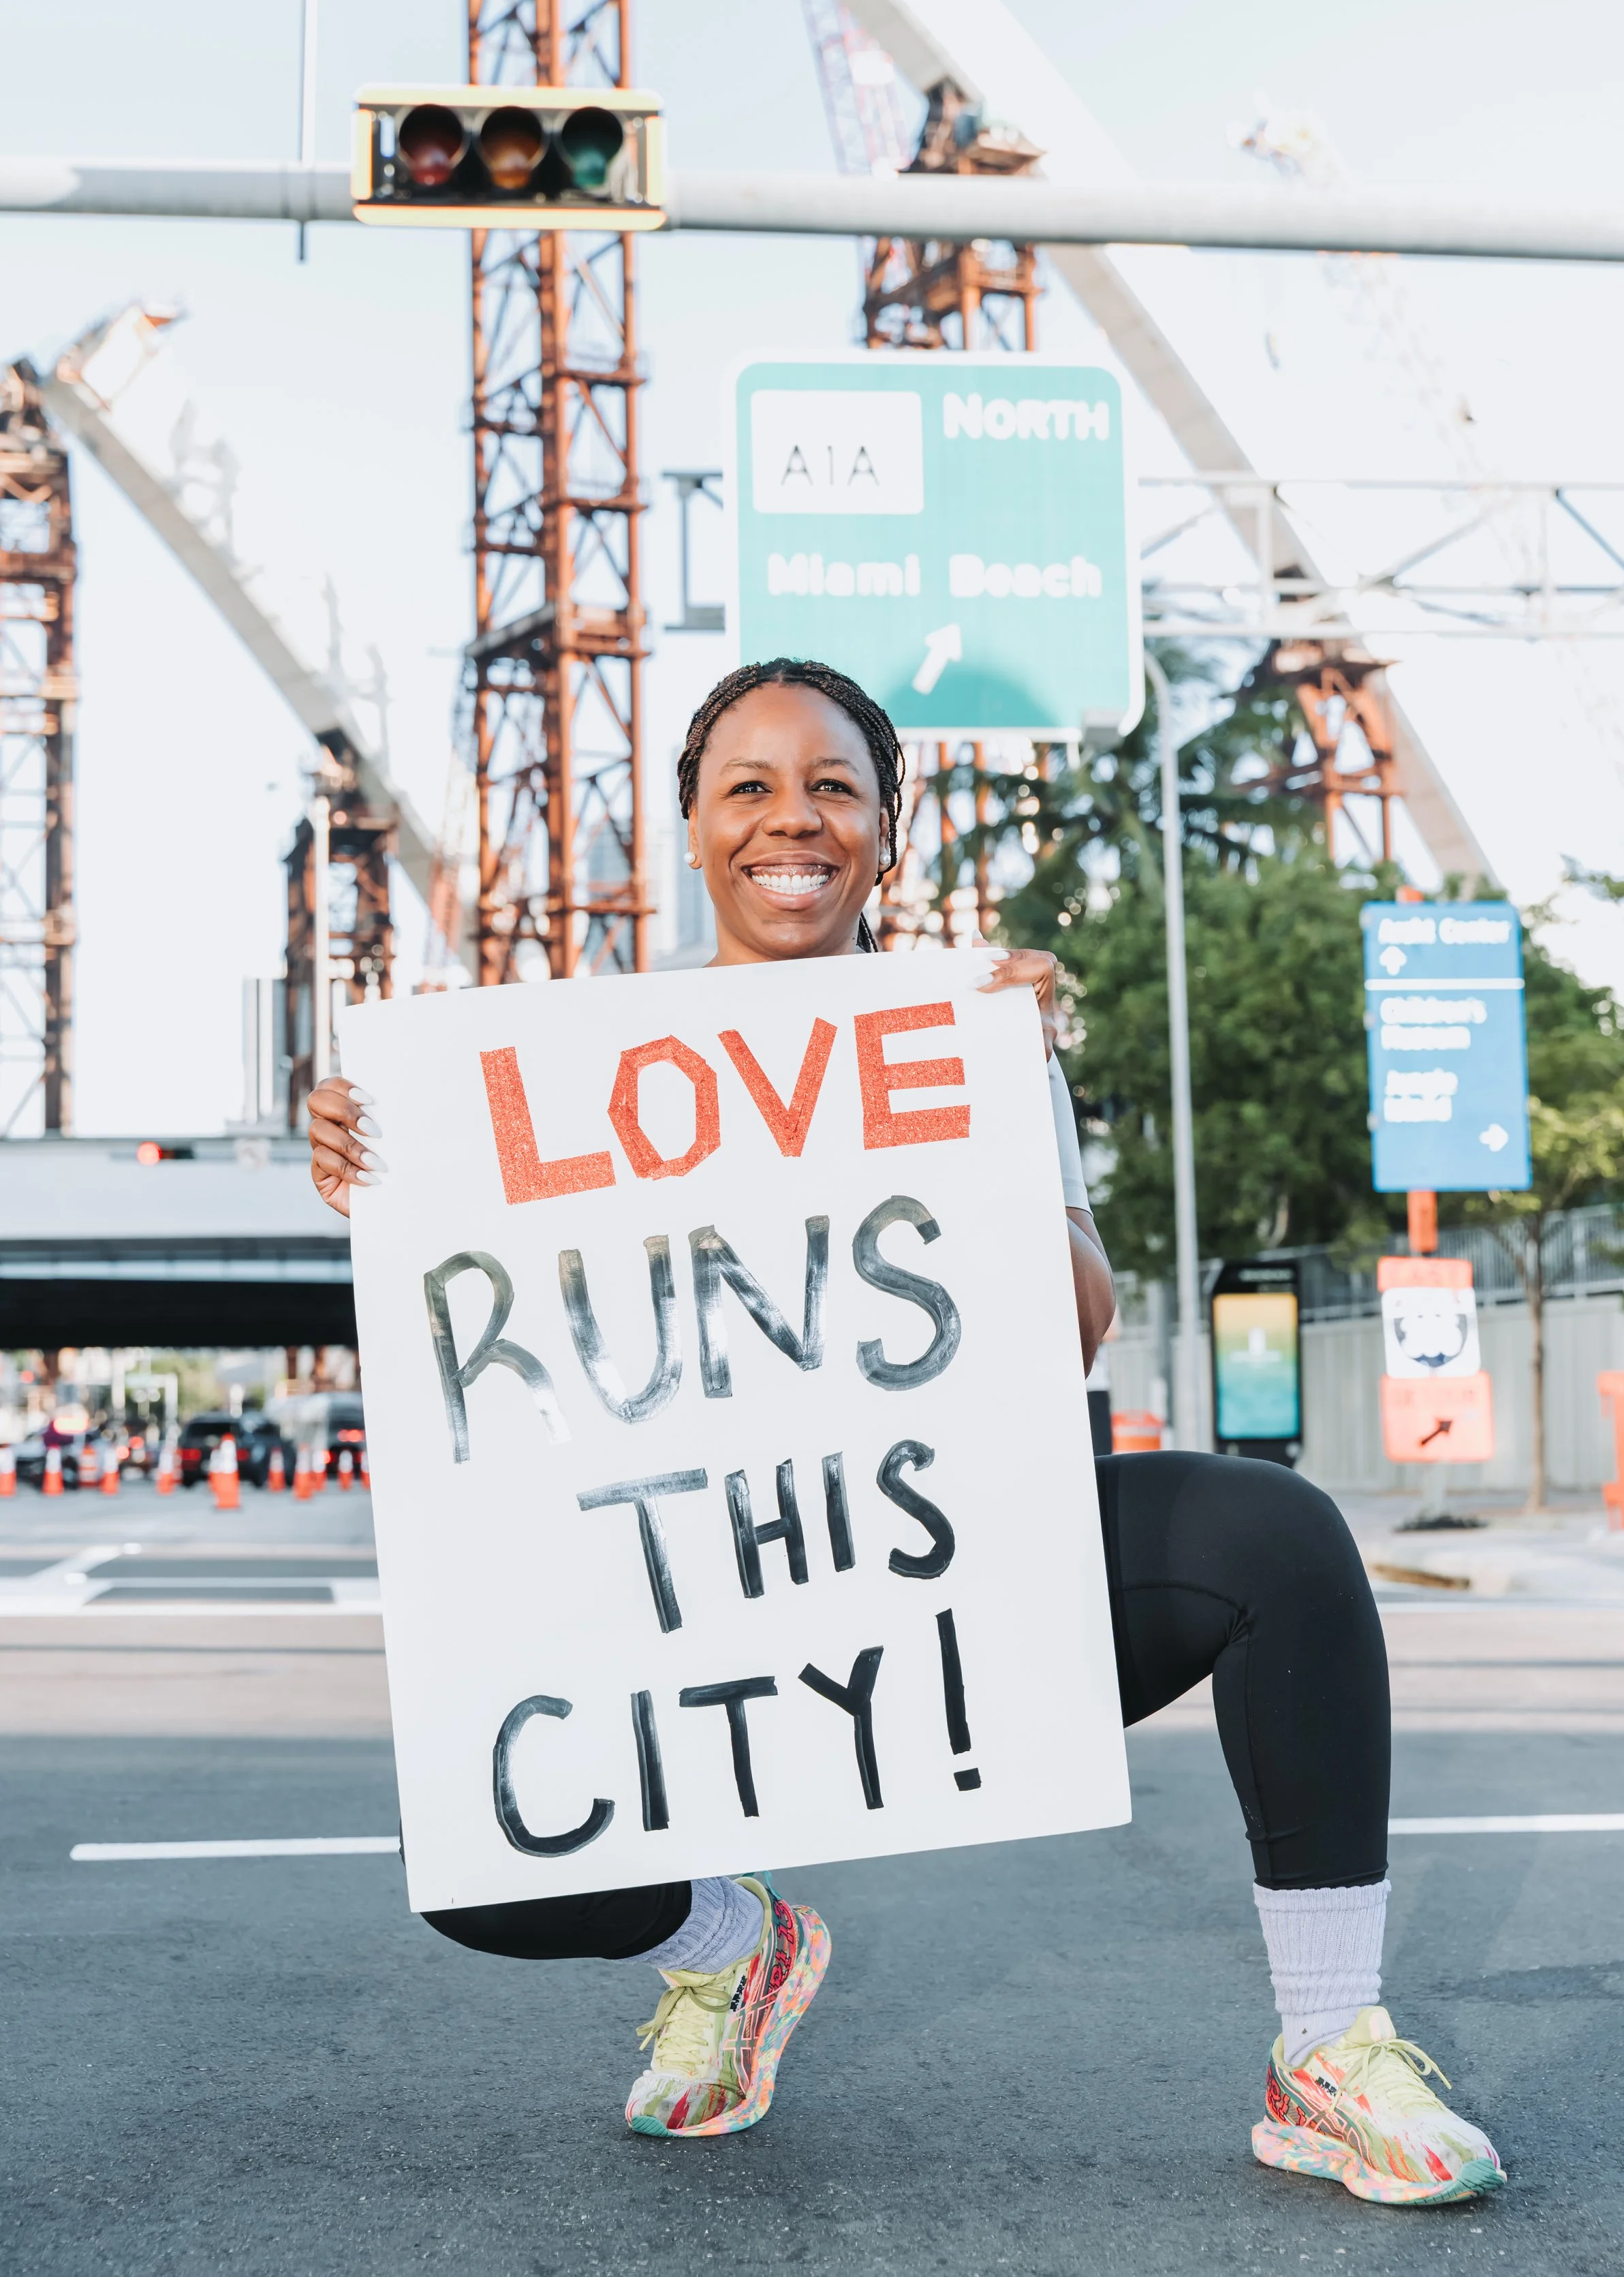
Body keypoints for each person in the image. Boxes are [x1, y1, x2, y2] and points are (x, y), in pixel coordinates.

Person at [307, 657, 1505, 2203]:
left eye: (830, 787)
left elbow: (1073, 1320)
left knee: (1273, 1536)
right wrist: (374, 1159)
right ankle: (736, 1951)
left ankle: (1327, 2044)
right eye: (746, 785)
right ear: (687, 825)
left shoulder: (958, 1029)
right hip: (689, 1610)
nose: (787, 820)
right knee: (482, 1853)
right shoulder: (553, 1077)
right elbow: (493, 1362)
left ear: (888, 827)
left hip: (949, 1575)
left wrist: (1014, 1096)